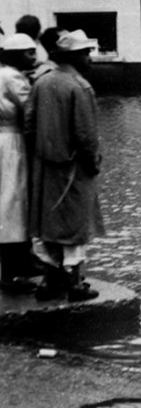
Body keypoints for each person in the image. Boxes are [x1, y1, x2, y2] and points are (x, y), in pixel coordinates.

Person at [25, 29, 105, 302]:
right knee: (75, 225)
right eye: (86, 54)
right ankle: (74, 284)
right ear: (75, 57)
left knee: (48, 225)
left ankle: (50, 281)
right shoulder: (79, 87)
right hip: (73, 167)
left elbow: (29, 125)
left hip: (45, 166)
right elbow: (86, 135)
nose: (90, 59)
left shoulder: (42, 82)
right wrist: (92, 163)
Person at [0, 34, 37, 293]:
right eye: (28, 53)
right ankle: (12, 271)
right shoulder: (12, 76)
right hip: (12, 142)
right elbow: (30, 108)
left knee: (7, 201)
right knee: (13, 201)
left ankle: (18, 262)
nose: (34, 58)